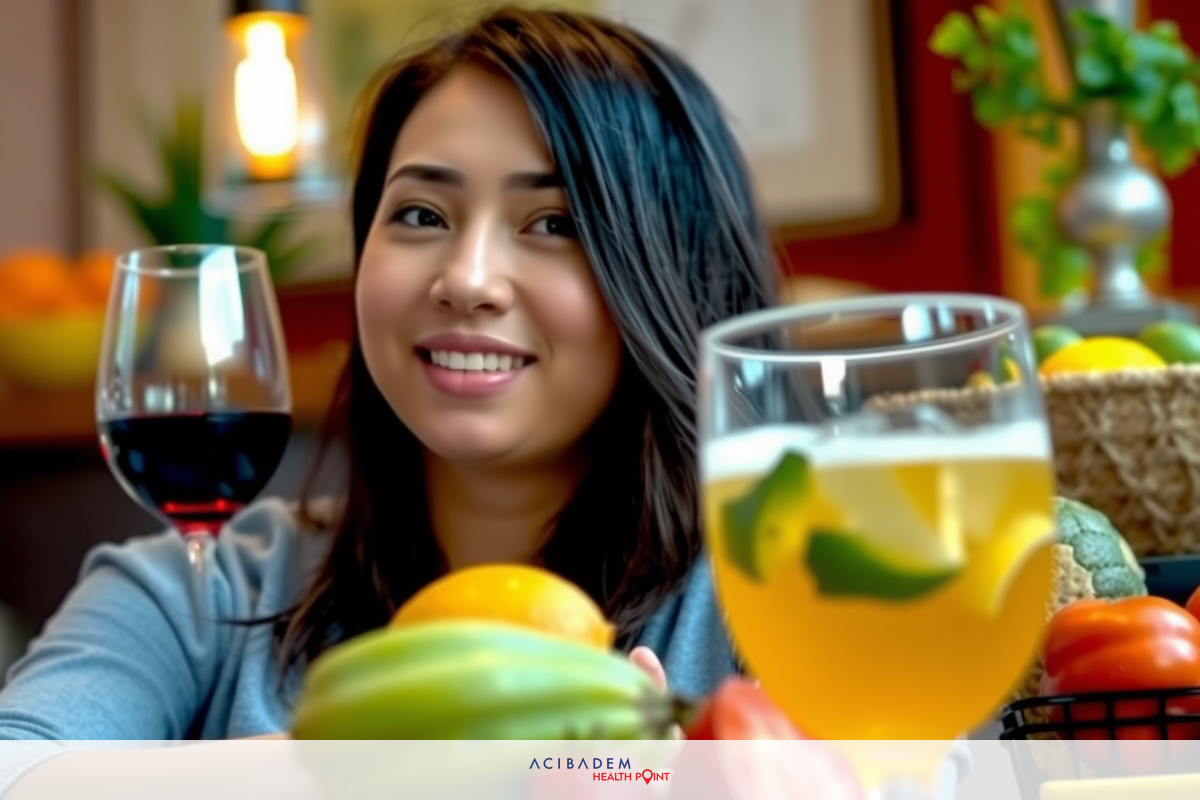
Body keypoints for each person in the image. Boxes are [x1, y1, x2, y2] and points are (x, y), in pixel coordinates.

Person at [0, 5, 969, 797]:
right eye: (420, 213)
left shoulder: (787, 593)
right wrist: (406, 759)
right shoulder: (200, 590)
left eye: (552, 222)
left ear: (669, 273)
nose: (467, 277)